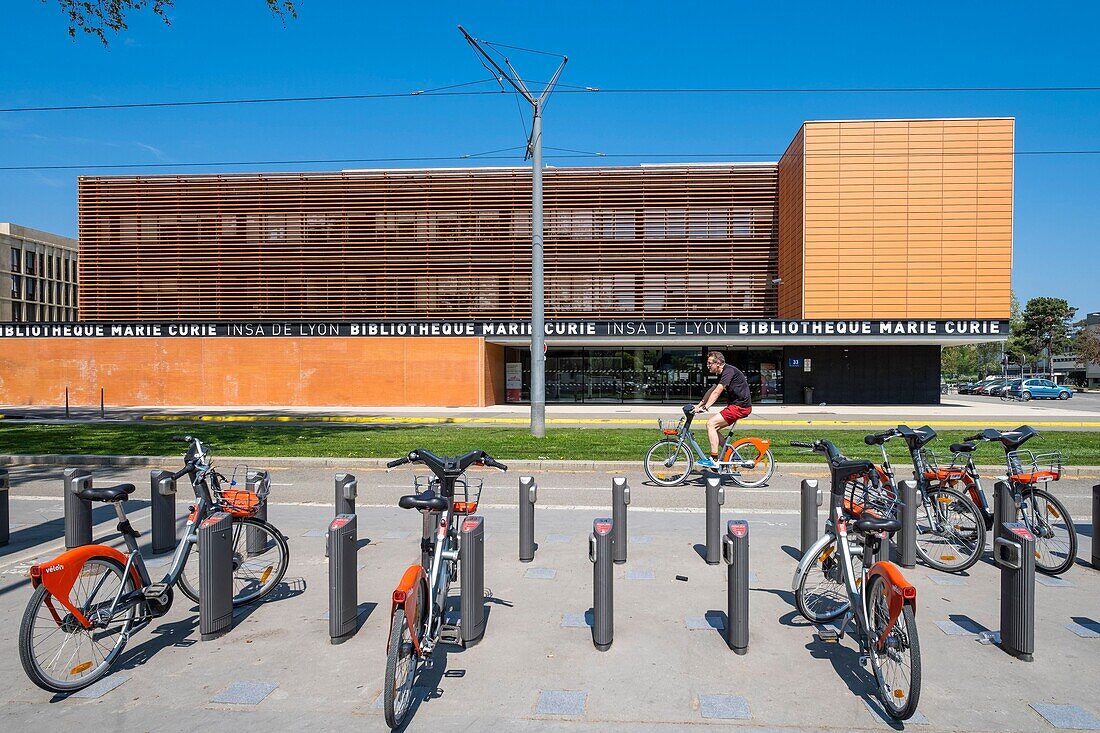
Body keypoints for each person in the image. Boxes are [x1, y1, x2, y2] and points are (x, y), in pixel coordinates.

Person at [692, 351, 752, 469]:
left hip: (740, 406)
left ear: (718, 363)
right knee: (714, 427)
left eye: (710, 363)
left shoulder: (728, 371)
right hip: (736, 406)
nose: (707, 366)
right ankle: (730, 453)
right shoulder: (722, 373)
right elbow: (711, 390)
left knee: (711, 424)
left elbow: (717, 391)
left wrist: (706, 407)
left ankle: (714, 459)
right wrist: (699, 405)